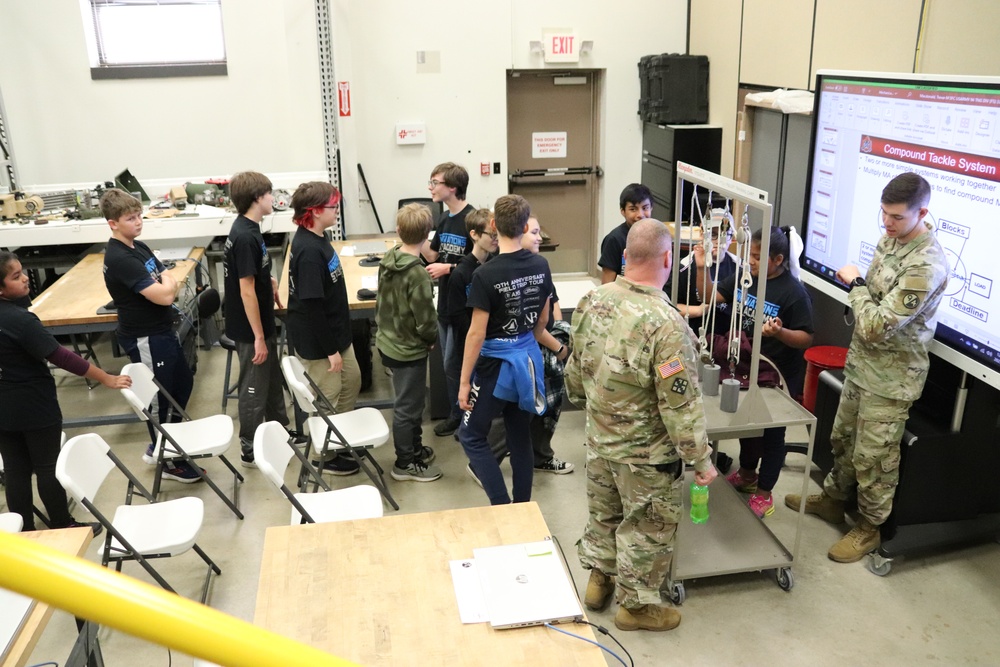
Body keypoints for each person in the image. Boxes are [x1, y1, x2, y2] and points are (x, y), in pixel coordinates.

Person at [784, 172, 949, 562]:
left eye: (896, 217)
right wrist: (863, 292)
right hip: (862, 366)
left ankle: (870, 527)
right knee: (841, 438)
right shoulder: (890, 241)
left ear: (921, 212)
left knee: (874, 458)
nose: (887, 224)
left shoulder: (925, 266)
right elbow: (873, 304)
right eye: (884, 215)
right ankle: (833, 500)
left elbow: (874, 325)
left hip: (891, 379)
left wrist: (854, 282)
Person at [566, 219, 717, 632]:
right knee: (646, 526)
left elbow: (574, 374)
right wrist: (700, 459)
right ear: (668, 258)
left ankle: (600, 580)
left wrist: (598, 414)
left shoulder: (591, 301)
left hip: (600, 440)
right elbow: (680, 404)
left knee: (604, 513)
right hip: (645, 456)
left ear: (626, 256)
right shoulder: (666, 324)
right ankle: (636, 607)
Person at [0, 251, 131, 533]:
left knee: (15, 470)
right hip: (33, 405)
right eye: (16, 276)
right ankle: (62, 524)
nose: (25, 279)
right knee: (47, 466)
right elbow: (63, 357)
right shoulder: (20, 321)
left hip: (3, 410)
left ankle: (23, 532)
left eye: (23, 272)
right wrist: (106, 378)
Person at [457, 195, 563, 505]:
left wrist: (465, 382)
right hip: (528, 363)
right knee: (519, 437)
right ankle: (522, 507)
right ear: (524, 226)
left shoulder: (485, 275)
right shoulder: (541, 265)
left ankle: (502, 506)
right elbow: (542, 320)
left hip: (496, 368)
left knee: (471, 435)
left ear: (493, 226)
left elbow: (476, 334)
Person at [100, 188, 202, 484]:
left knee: (182, 384)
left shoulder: (138, 247)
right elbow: (164, 295)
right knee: (160, 398)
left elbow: (167, 277)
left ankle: (168, 443)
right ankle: (165, 458)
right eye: (130, 219)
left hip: (161, 331)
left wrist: (166, 283)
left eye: (138, 216)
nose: (138, 222)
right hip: (145, 338)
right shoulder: (119, 257)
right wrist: (167, 284)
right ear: (113, 224)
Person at [711, 226, 814, 518]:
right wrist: (704, 262)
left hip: (778, 375)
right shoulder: (748, 279)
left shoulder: (794, 293)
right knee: (747, 423)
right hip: (748, 367)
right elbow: (713, 294)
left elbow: (806, 337)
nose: (751, 261)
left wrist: (780, 333)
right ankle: (746, 474)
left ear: (778, 259)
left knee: (772, 434)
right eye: (750, 255)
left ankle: (765, 492)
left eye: (757, 256)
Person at [480, 216, 575, 479]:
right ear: (517, 233)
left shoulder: (539, 266)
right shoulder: (504, 272)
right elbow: (536, 328)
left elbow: (552, 305)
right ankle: (485, 461)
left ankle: (540, 456)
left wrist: (560, 332)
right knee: (516, 409)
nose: (539, 237)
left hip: (539, 350)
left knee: (540, 408)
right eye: (533, 232)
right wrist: (560, 348)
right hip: (524, 353)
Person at [285, 181, 360, 476]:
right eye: (333, 206)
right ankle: (324, 456)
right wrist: (331, 351)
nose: (337, 210)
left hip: (337, 335)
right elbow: (313, 308)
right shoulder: (307, 251)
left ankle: (338, 438)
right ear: (315, 211)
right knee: (327, 396)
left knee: (352, 381)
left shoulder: (320, 237)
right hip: (320, 343)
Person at [223, 171, 289, 468]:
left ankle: (280, 432)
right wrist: (259, 337)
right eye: (268, 194)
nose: (272, 199)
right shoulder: (245, 236)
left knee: (272, 380)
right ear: (256, 199)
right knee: (253, 386)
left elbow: (255, 277)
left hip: (260, 322)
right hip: (251, 330)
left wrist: (271, 282)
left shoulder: (250, 229)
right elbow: (245, 291)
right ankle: (249, 446)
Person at [376, 203, 442, 482]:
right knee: (408, 408)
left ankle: (414, 449)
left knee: (410, 402)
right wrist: (430, 340)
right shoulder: (417, 274)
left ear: (399, 230)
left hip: (388, 341)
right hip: (408, 350)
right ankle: (405, 462)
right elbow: (426, 319)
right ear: (428, 234)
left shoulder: (390, 257)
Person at [422, 163, 475, 437]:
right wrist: (413, 233)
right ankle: (460, 414)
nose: (430, 187)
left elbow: (483, 266)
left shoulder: (473, 220)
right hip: (445, 304)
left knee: (462, 365)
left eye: (435, 182)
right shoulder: (443, 219)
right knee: (449, 364)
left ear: (452, 187)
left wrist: (449, 268)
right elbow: (432, 256)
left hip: (466, 308)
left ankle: (468, 418)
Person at [665, 217, 739, 337]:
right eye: (713, 234)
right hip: (695, 337)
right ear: (702, 234)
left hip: (727, 340)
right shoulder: (684, 266)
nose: (718, 241)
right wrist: (698, 311)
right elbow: (668, 305)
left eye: (725, 235)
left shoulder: (739, 267)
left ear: (732, 239)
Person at [598, 183, 653, 284]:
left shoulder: (657, 237)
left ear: (651, 208)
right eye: (633, 209)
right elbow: (606, 284)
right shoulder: (614, 239)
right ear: (623, 211)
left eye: (645, 208)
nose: (640, 215)